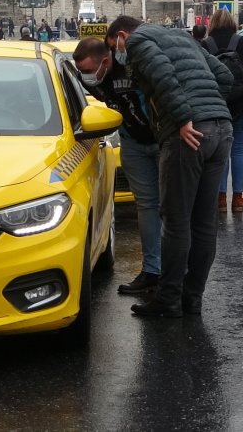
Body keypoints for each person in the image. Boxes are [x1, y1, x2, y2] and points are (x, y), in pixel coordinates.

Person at [106, 16, 233, 318]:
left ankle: (169, 298)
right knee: (203, 222)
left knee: (175, 221)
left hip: (188, 134)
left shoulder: (138, 41)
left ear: (122, 35)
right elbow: (225, 77)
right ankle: (193, 298)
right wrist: (206, 107)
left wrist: (184, 117)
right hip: (221, 128)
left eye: (115, 46)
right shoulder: (182, 36)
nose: (118, 54)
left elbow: (163, 77)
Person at [72, 37, 161, 296]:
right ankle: (152, 271)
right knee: (147, 207)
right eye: (82, 72)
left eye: (89, 70)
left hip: (162, 140)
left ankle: (176, 273)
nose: (86, 77)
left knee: (172, 207)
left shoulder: (134, 67)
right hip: (132, 143)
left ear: (106, 61)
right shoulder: (89, 81)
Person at [202, 9, 243, 213]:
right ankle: (237, 199)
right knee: (238, 149)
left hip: (216, 104)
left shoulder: (206, 45)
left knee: (220, 153)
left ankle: (220, 199)